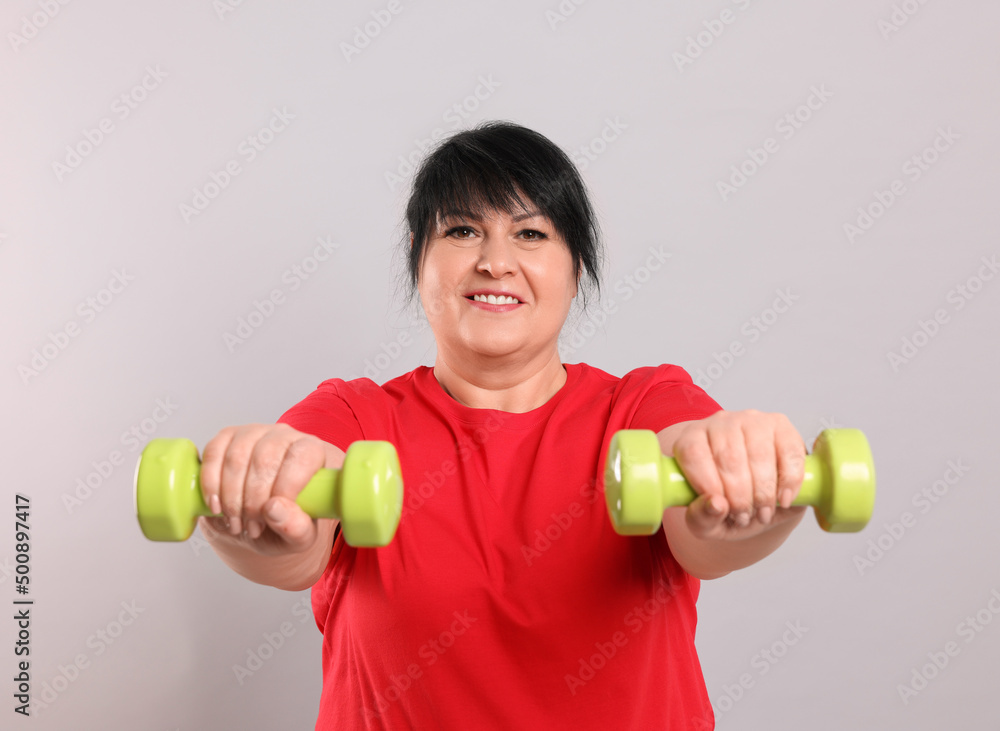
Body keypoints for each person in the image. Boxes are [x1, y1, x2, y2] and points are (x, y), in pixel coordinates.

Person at [198, 120, 809, 730]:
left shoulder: (643, 407)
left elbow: (707, 533)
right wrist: (255, 512)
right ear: (418, 255)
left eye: (530, 233)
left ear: (575, 267)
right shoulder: (356, 417)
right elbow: (295, 529)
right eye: (462, 230)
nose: (495, 262)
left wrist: (743, 490)